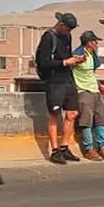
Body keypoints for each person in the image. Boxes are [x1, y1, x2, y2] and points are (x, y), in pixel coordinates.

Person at [36, 12, 83, 164]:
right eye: (68, 29)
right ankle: (55, 151)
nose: (70, 33)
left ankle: (64, 147)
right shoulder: (48, 37)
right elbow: (43, 62)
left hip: (68, 79)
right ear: (61, 25)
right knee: (54, 115)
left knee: (72, 113)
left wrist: (75, 61)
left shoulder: (67, 37)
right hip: (54, 80)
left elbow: (67, 56)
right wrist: (63, 63)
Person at [72, 30, 104, 161]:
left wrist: (99, 85)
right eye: (95, 41)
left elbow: (91, 73)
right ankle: (89, 149)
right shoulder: (78, 55)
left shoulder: (92, 56)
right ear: (89, 42)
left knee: (100, 120)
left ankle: (102, 147)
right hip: (83, 91)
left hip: (95, 90)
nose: (97, 44)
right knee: (86, 121)